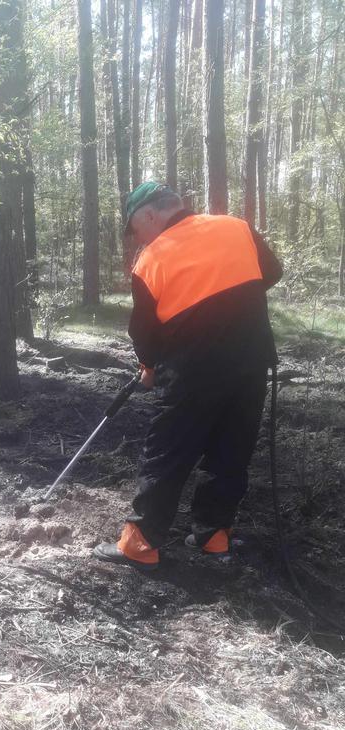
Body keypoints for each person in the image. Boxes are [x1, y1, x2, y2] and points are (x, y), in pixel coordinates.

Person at [93, 182, 282, 571]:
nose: (137, 239)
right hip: (250, 363)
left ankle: (140, 545)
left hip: (191, 371)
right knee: (230, 451)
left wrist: (149, 366)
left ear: (150, 214)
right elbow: (271, 272)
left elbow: (144, 334)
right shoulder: (236, 227)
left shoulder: (151, 261)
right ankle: (214, 538)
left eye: (135, 229)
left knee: (168, 452)